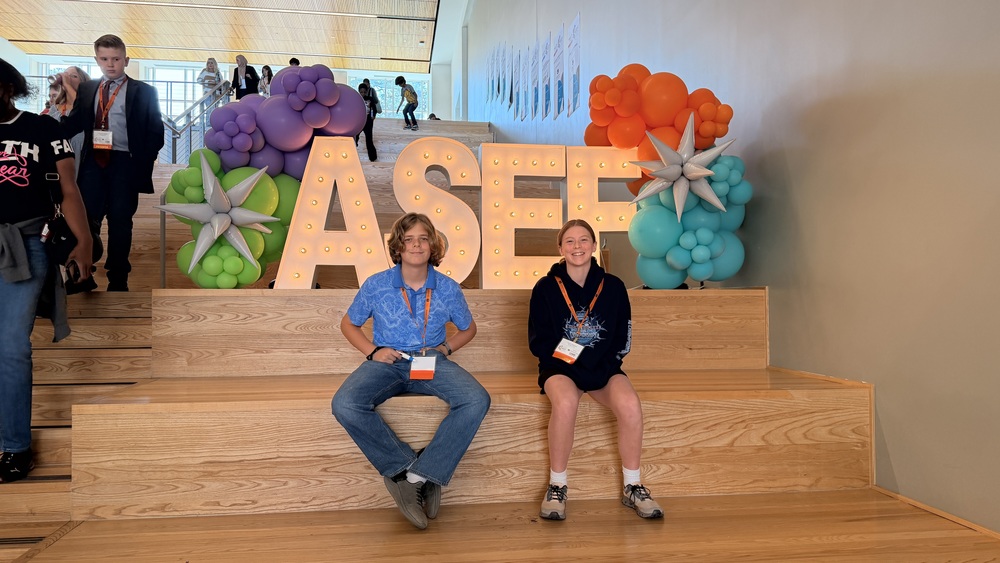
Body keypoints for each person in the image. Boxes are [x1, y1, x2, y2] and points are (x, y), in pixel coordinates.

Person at [332, 212, 490, 530]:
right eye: (409, 239)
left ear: (432, 245)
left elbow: (468, 328)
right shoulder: (377, 285)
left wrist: (445, 349)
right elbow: (348, 323)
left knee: (477, 399)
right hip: (387, 364)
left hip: (430, 363)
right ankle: (406, 470)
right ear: (399, 247)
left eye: (422, 238)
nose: (416, 245)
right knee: (345, 404)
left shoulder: (447, 288)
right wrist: (373, 351)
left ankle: (419, 475)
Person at [528, 219, 663, 521]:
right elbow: (541, 340)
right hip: (560, 368)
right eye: (570, 241)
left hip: (602, 367)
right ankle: (557, 485)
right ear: (560, 248)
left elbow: (622, 337)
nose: (577, 247)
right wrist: (577, 361)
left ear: (593, 245)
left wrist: (596, 362)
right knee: (565, 403)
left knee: (630, 404)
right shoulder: (545, 288)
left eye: (584, 240)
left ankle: (633, 484)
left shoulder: (613, 286)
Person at [1, 58, 93, 483]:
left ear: (6, 89)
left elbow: (69, 189)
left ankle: (15, 446)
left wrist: (85, 242)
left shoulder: (43, 130)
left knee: (10, 345)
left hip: (26, 244)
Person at [61, 34, 164, 291]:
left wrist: (143, 160)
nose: (110, 64)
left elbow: (155, 132)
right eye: (104, 59)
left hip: (124, 163)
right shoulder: (87, 90)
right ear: (97, 60)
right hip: (93, 161)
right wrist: (44, 130)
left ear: (126, 60)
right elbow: (73, 123)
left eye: (116, 59)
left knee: (120, 221)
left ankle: (119, 278)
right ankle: (84, 274)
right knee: (85, 220)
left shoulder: (145, 92)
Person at [48, 67, 91, 174]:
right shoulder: (55, 109)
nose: (67, 78)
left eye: (74, 76)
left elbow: (83, 107)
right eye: (66, 75)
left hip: (82, 164)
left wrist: (67, 85)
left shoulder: (88, 108)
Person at [354, 83, 377, 162]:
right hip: (359, 121)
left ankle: (373, 157)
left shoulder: (370, 99)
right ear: (359, 91)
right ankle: (352, 153)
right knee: (355, 137)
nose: (363, 93)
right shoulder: (356, 99)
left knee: (369, 139)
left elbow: (374, 109)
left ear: (367, 91)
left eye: (364, 92)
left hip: (368, 121)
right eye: (361, 92)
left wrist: (373, 115)